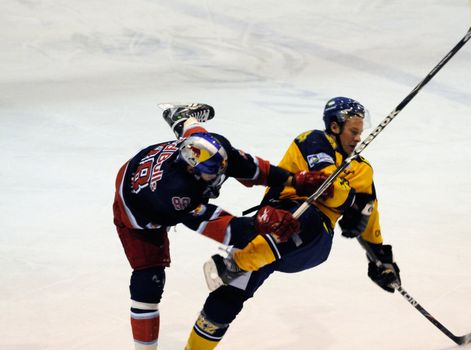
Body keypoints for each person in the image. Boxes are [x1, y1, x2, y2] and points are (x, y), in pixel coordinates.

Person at [183, 97, 402, 349]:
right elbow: (327, 186)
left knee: (305, 216)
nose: (357, 138)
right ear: (334, 127)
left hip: (311, 240)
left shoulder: (362, 169)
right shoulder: (314, 140)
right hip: (270, 229)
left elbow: (370, 212)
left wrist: (380, 259)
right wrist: (353, 201)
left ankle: (237, 263)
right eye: (353, 131)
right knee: (226, 298)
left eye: (360, 133)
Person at [112, 103, 330, 350]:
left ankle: (181, 117)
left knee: (197, 136)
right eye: (211, 175)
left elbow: (255, 169)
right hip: (134, 205)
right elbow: (218, 226)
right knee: (148, 281)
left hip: (160, 159)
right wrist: (259, 223)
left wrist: (294, 180)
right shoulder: (176, 193)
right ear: (190, 170)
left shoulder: (216, 149)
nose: (218, 178)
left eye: (221, 170)